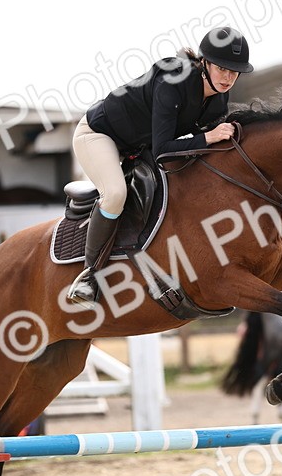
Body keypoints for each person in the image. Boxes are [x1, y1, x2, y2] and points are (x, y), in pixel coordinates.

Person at [67, 26, 255, 304]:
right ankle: (89, 276)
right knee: (116, 194)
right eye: (221, 68)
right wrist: (207, 137)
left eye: (234, 71)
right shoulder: (172, 80)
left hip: (138, 147)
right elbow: (164, 150)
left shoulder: (219, 98)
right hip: (99, 135)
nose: (228, 78)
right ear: (204, 63)